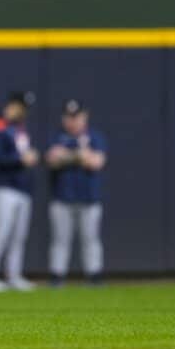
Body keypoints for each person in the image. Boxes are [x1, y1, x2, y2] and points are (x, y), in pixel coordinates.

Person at [46, 99, 108, 286]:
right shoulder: (57, 136)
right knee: (60, 240)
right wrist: (78, 156)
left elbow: (97, 162)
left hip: (89, 198)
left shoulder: (95, 137)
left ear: (84, 117)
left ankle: (94, 275)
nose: (73, 121)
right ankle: (57, 276)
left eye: (77, 117)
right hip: (62, 198)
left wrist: (69, 156)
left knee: (91, 239)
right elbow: (52, 160)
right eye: (69, 117)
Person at [0, 91, 39, 292]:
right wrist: (20, 159)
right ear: (13, 105)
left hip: (22, 187)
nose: (24, 111)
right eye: (22, 107)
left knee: (18, 236)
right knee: (0, 233)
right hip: (3, 187)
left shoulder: (20, 127)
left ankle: (14, 275)